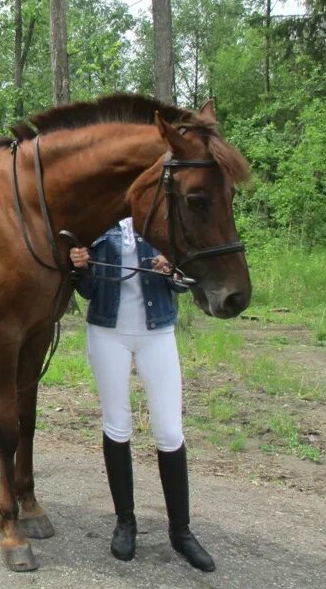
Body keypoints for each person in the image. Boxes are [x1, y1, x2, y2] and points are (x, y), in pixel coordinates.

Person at [69, 217, 215, 572]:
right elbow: (86, 291)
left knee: (169, 431)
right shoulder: (98, 222)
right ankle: (125, 524)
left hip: (158, 332)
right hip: (108, 333)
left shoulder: (162, 221)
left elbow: (183, 284)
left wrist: (172, 269)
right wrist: (79, 266)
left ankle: (181, 532)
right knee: (118, 426)